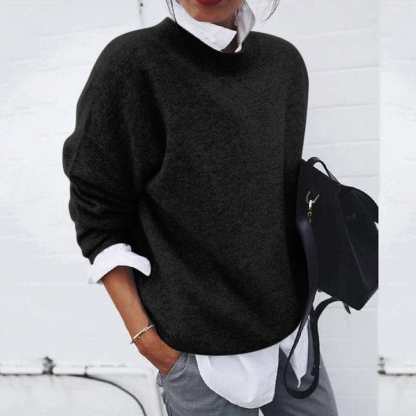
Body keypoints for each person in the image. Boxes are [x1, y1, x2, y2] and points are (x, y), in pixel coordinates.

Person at [62, 0, 339, 414]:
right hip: (196, 357)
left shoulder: (283, 64)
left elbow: (276, 196)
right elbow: (96, 213)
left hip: (291, 340)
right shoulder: (132, 64)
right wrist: (149, 342)